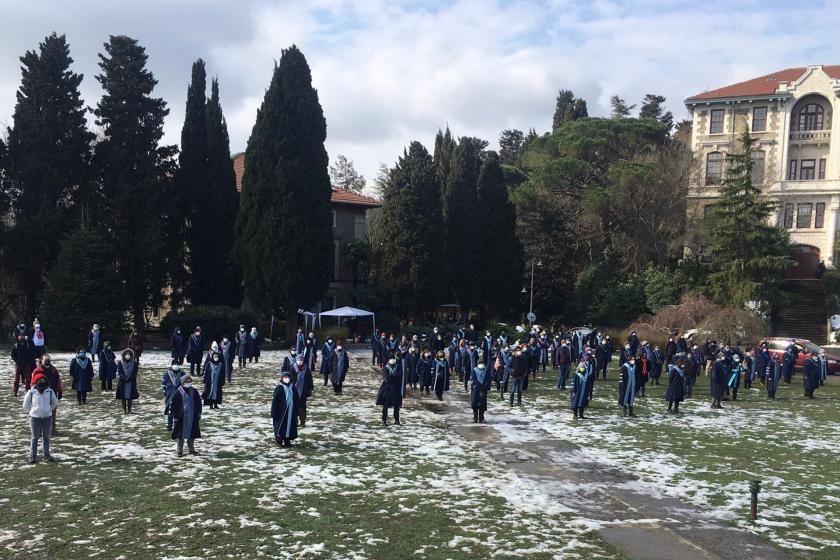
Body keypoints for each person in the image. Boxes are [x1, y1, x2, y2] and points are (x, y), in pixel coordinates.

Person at [23, 372, 58, 464]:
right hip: (35, 417)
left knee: (46, 436)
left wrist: (49, 410)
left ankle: (47, 455)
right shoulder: (31, 392)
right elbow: (25, 404)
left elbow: (55, 402)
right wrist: (32, 411)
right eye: (39, 380)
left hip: (47, 417)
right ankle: (33, 456)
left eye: (43, 380)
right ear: (36, 381)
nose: (41, 381)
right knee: (35, 437)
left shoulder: (49, 391)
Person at [171, 374, 202, 456]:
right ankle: (179, 451)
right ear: (183, 383)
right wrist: (176, 416)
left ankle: (191, 449)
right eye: (187, 382)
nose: (188, 383)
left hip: (192, 417)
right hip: (181, 418)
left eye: (190, 382)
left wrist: (199, 413)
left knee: (192, 434)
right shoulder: (178, 392)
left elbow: (198, 403)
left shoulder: (194, 391)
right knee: (180, 435)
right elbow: (174, 405)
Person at [33, 355, 62, 434]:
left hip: (52, 394)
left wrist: (59, 391)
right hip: (41, 395)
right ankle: (40, 431)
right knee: (41, 413)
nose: (47, 361)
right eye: (45, 360)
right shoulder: (37, 370)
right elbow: (32, 383)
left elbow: (58, 382)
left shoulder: (54, 370)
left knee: (53, 412)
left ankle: (52, 429)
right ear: (41, 360)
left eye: (48, 360)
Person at [272, 371, 300, 446]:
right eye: (285, 377)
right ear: (282, 378)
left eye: (288, 377)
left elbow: (296, 399)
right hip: (281, 412)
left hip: (291, 411)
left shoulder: (292, 387)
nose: (287, 379)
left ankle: (287, 440)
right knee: (280, 426)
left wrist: (297, 411)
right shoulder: (279, 388)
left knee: (289, 426)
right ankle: (279, 441)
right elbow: (275, 401)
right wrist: (274, 412)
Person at [376, 358, 403, 426]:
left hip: (396, 389)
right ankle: (384, 420)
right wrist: (394, 377)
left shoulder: (398, 367)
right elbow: (387, 379)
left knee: (397, 405)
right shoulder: (385, 368)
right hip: (387, 390)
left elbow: (400, 376)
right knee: (386, 405)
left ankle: (396, 420)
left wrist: (392, 377)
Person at [290, 356, 314, 427]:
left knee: (303, 407)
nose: (300, 362)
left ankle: (302, 422)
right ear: (296, 361)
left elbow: (310, 380)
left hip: (304, 391)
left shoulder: (307, 370)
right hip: (294, 391)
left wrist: (310, 389)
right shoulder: (292, 368)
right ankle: (295, 421)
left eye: (301, 360)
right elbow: (289, 379)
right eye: (298, 360)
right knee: (294, 407)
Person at [116, 349, 140, 414]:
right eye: (126, 354)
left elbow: (135, 372)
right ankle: (124, 409)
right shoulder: (120, 362)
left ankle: (129, 409)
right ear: (123, 355)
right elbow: (120, 372)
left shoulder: (134, 363)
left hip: (131, 381)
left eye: (129, 354)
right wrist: (124, 378)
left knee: (130, 396)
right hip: (122, 381)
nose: (127, 355)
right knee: (122, 396)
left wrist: (129, 378)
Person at [161, 362, 183, 431]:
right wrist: (167, 391)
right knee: (170, 409)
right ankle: (169, 425)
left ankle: (177, 425)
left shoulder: (182, 374)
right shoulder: (167, 374)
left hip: (179, 394)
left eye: (177, 364)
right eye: (174, 364)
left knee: (178, 409)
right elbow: (163, 384)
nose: (176, 365)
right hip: (170, 394)